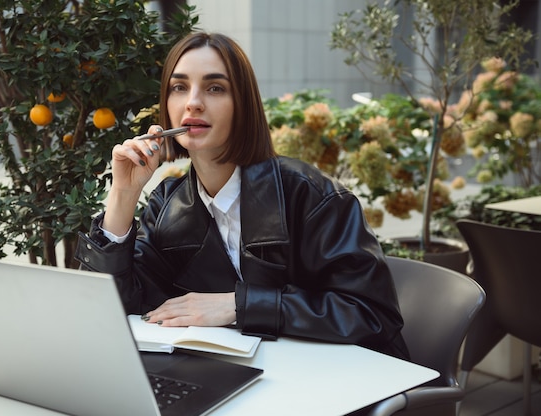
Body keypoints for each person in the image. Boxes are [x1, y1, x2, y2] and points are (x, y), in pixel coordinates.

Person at [75, 32, 409, 359]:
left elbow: (370, 314)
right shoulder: (167, 205)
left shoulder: (310, 194)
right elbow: (117, 307)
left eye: (215, 88)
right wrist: (123, 194)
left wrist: (236, 305)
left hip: (348, 386)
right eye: (179, 87)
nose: (192, 102)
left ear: (243, 105)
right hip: (238, 380)